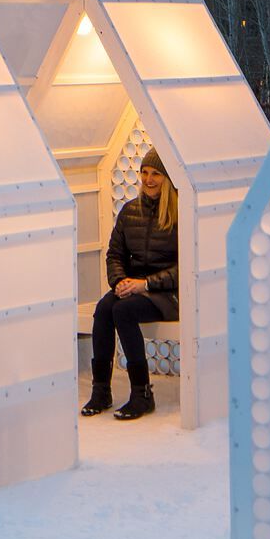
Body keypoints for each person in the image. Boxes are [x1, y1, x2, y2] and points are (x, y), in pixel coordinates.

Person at [84, 148, 178, 421]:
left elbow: (185, 268)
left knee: (122, 311)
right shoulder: (130, 211)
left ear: (168, 179)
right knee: (104, 308)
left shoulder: (180, 213)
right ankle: (101, 391)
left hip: (170, 294)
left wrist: (146, 283)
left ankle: (142, 394)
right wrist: (120, 281)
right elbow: (115, 254)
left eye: (156, 174)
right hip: (135, 288)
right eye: (145, 173)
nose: (148, 179)